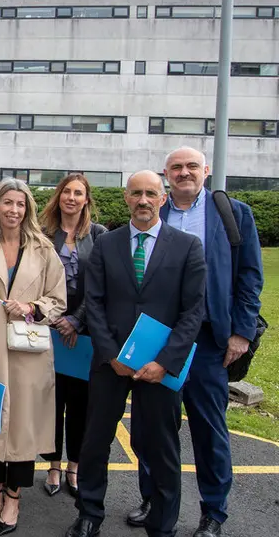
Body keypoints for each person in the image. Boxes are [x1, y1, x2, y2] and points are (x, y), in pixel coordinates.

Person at [127, 148, 263, 537]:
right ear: (165, 175)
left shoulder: (232, 214)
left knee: (208, 428)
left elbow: (250, 276)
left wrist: (241, 331)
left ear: (205, 170)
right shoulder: (155, 211)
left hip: (207, 340)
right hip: (159, 336)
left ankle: (213, 512)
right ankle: (153, 498)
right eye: (175, 168)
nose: (183, 173)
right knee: (153, 427)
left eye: (191, 167)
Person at [65, 170, 207, 537]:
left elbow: (193, 311)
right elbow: (93, 303)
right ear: (126, 198)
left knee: (161, 448)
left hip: (161, 366)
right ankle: (89, 514)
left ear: (163, 198)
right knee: (95, 442)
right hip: (110, 364)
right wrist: (111, 354)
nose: (143, 200)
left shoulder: (188, 246)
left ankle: (162, 525)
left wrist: (165, 362)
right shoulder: (106, 244)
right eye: (136, 194)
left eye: (151, 194)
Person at [0, 178, 67, 535]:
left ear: (28, 209)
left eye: (20, 204)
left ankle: (13, 499)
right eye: (7, 203)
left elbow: (58, 300)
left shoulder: (44, 250)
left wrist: (32, 307)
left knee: (21, 428)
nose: (14, 210)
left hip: (28, 355)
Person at [38, 173, 108, 498]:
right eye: (67, 191)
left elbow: (100, 288)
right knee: (52, 401)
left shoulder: (99, 235)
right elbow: (34, 280)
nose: (72, 197)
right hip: (49, 330)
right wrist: (54, 318)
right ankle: (52, 464)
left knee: (81, 404)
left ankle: (74, 467)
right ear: (59, 196)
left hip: (84, 333)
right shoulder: (42, 233)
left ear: (86, 199)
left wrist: (76, 322)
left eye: (78, 192)